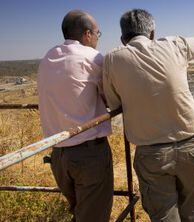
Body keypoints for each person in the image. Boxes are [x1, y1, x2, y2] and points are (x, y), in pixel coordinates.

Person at [103, 8, 194, 221]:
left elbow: (113, 101)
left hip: (151, 153)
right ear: (153, 33)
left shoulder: (112, 59)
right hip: (190, 146)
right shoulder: (174, 45)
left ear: (122, 38)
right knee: (193, 209)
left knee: (164, 215)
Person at [37, 10, 113, 222]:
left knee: (80, 213)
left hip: (59, 154)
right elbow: (111, 99)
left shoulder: (47, 58)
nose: (98, 38)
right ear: (87, 34)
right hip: (88, 155)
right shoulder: (93, 57)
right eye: (98, 33)